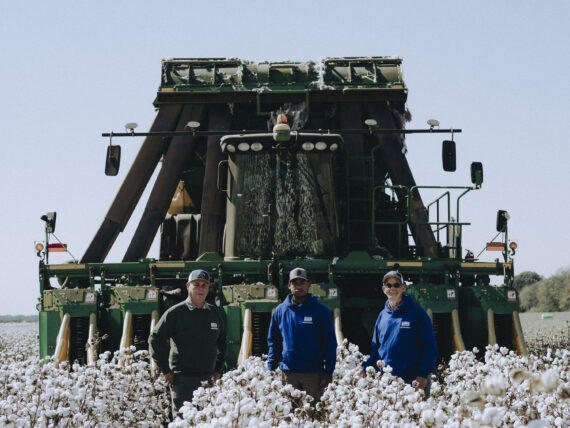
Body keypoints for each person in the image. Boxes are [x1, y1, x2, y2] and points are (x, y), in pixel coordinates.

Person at [149, 269, 226, 417]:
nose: (201, 288)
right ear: (188, 286)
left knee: (207, 422)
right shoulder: (176, 313)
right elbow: (154, 339)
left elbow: (222, 341)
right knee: (182, 422)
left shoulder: (213, 312)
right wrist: (166, 370)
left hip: (207, 380)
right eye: (196, 284)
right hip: (182, 380)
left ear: (208, 288)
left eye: (204, 285)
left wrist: (218, 370)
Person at [361, 270, 437, 395]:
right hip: (387, 382)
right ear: (383, 289)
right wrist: (365, 368)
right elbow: (376, 349)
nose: (392, 288)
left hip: (412, 381)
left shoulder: (417, 313)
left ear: (403, 287)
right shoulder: (382, 316)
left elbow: (430, 347)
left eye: (396, 285)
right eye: (389, 285)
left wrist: (423, 374)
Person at [267, 267, 337, 402]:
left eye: (302, 282)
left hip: (313, 375)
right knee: (288, 416)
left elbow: (330, 343)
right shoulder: (280, 311)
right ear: (289, 285)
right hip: (288, 375)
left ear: (309, 284)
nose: (298, 286)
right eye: (295, 283)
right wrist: (271, 369)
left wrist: (328, 372)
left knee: (313, 417)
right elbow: (273, 342)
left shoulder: (321, 311)